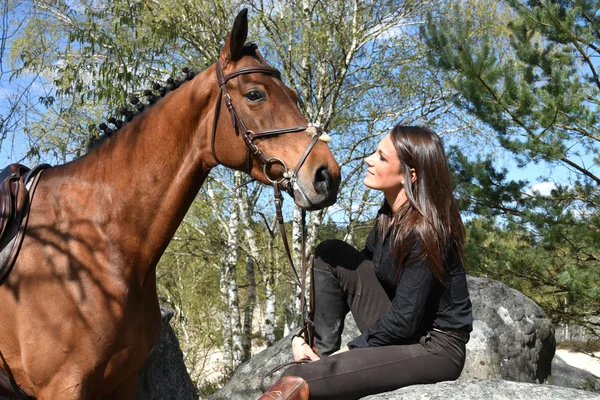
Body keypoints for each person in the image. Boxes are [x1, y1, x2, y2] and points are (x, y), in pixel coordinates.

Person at [259, 125, 473, 400]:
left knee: (303, 380)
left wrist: (350, 350)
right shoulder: (387, 217)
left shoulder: (427, 230)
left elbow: (405, 319)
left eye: (381, 157)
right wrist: (301, 337)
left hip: (435, 347)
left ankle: (320, 370)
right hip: (405, 327)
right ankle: (316, 353)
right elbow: (363, 277)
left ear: (411, 174)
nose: (368, 159)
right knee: (331, 253)